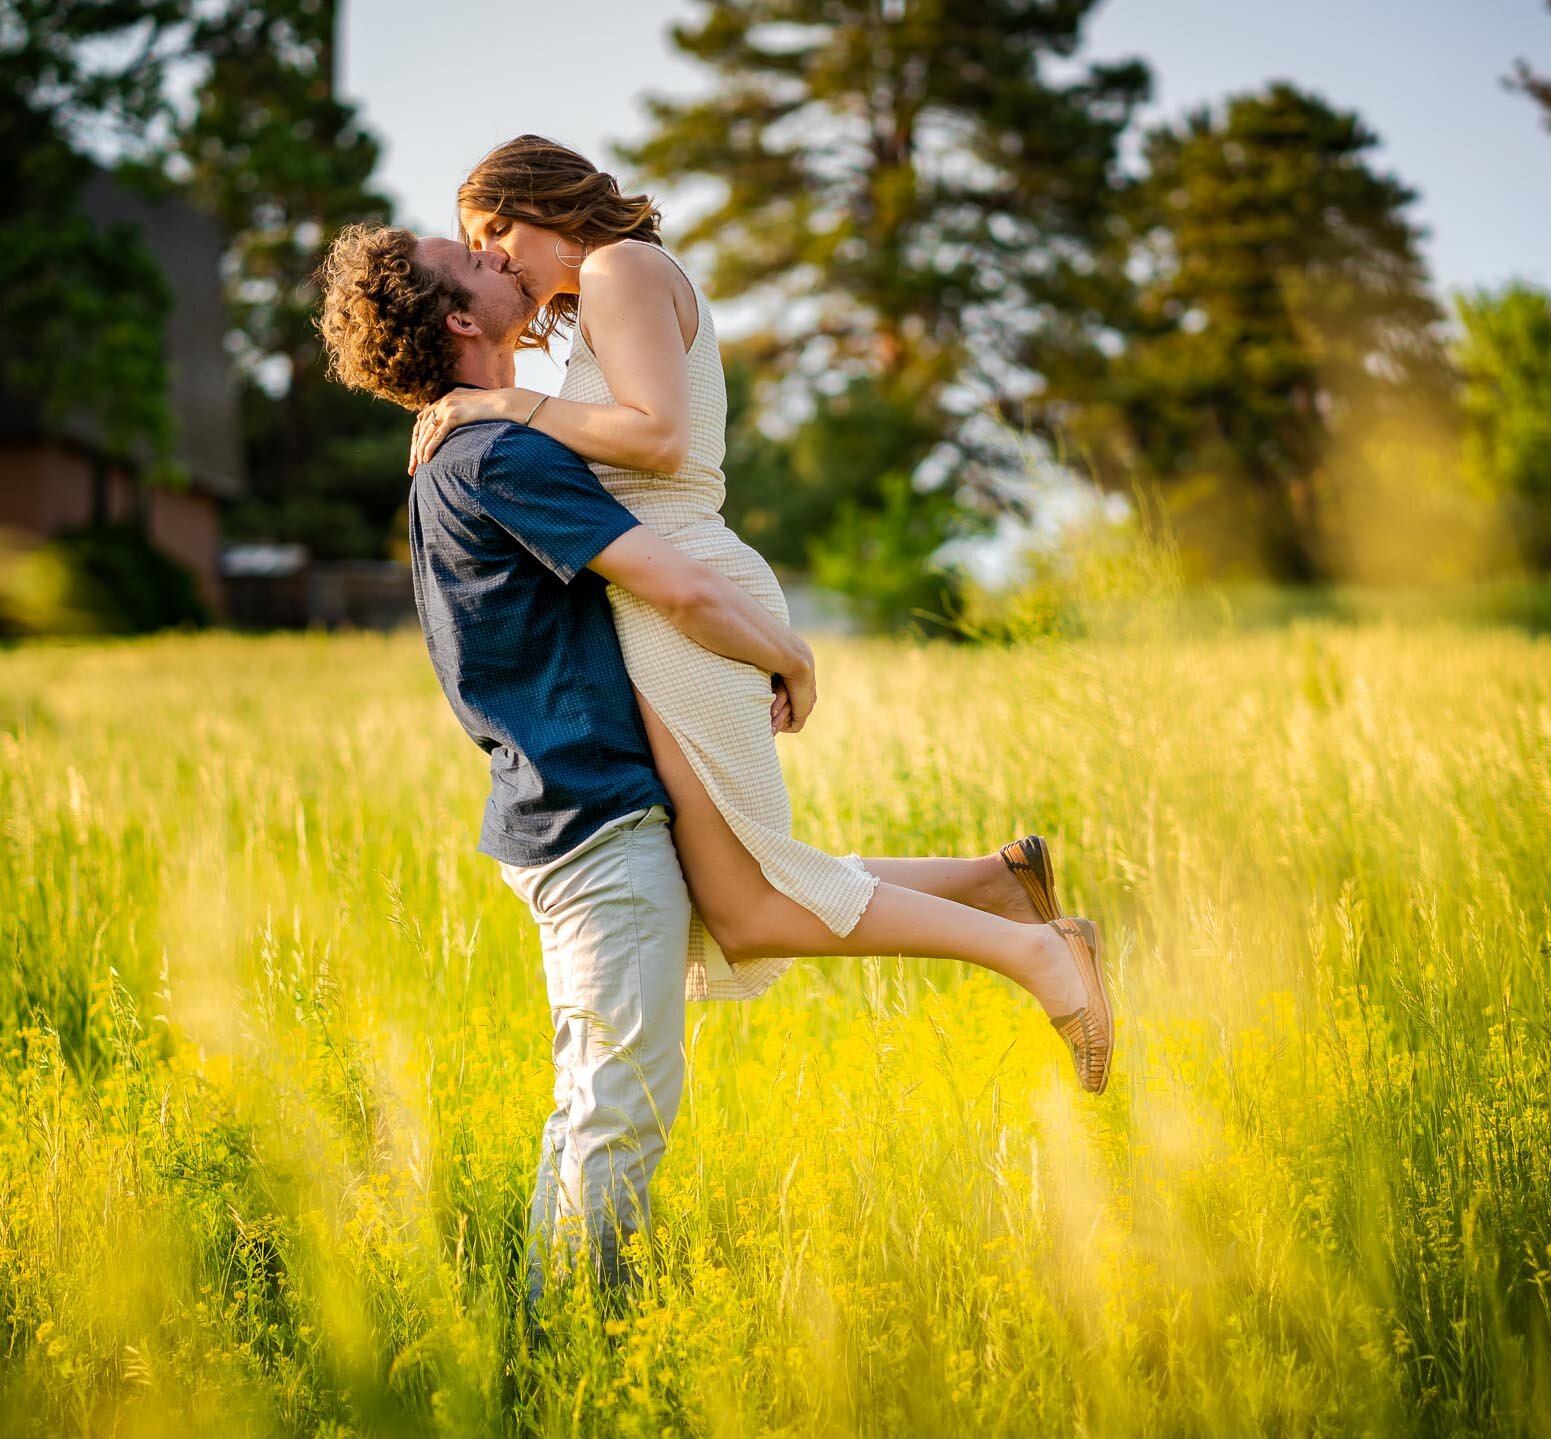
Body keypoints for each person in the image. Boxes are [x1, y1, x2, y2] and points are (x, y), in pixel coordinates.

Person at [313, 214, 1108, 1299]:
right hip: (587, 822)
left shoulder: (489, 441)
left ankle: (998, 893)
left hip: (585, 806)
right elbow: (676, 586)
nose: (495, 255)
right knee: (615, 1102)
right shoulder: (493, 455)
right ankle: (565, 1351)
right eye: (471, 259)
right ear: (457, 315)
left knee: (693, 979)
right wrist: (790, 655)